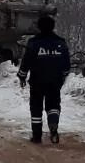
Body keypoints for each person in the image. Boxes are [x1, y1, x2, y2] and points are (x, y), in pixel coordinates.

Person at [18, 14, 70, 144]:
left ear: (39, 27)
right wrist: (63, 76)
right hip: (55, 81)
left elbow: (26, 61)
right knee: (53, 105)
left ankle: (37, 136)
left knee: (36, 107)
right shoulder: (61, 42)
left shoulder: (34, 43)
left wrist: (22, 75)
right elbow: (66, 65)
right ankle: (53, 126)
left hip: (37, 81)